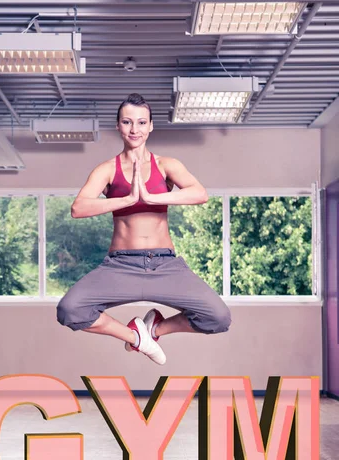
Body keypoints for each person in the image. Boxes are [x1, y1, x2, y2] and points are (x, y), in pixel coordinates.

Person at [56, 93, 232, 365]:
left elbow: (200, 194)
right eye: (127, 122)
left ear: (151, 126)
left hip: (164, 265)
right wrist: (126, 199)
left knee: (218, 317)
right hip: (121, 266)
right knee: (70, 310)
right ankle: (136, 338)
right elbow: (78, 208)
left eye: (141, 122)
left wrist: (152, 197)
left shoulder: (166, 165)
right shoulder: (107, 170)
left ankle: (154, 329)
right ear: (118, 126)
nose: (134, 129)